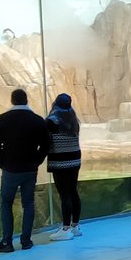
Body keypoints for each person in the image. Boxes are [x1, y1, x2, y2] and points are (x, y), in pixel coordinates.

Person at [0, 88, 50, 252]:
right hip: (30, 170)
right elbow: (46, 144)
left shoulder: (2, 119)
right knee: (28, 204)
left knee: (6, 203)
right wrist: (37, 161)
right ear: (26, 100)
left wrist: (1, 162)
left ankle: (7, 242)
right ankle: (26, 241)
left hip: (10, 169)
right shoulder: (37, 120)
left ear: (12, 100)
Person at [47, 93, 83, 238]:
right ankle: (75, 226)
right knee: (73, 191)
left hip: (60, 161)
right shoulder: (74, 121)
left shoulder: (52, 120)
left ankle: (65, 229)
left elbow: (46, 140)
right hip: (75, 160)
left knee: (65, 194)